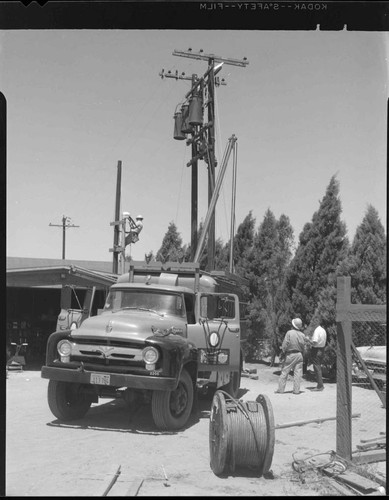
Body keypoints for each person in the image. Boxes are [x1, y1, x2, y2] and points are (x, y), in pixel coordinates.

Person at [275, 318, 307, 395]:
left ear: (293, 325)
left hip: (290, 355)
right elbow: (304, 347)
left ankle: (281, 389)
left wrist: (282, 352)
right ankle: (296, 391)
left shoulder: (289, 333)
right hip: (299, 355)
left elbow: (285, 344)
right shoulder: (302, 335)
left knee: (285, 372)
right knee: (297, 373)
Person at [307, 324, 327, 391]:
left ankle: (320, 386)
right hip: (322, 349)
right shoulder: (323, 330)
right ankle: (320, 385)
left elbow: (315, 343)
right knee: (318, 367)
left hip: (317, 350)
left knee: (316, 367)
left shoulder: (317, 331)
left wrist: (308, 340)